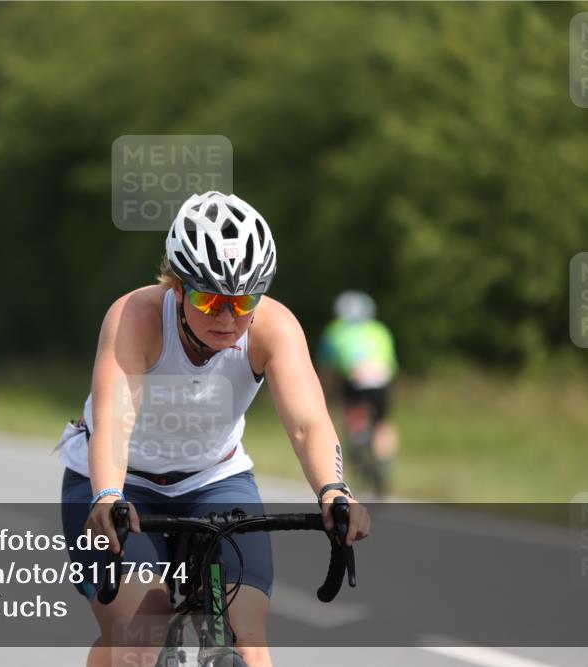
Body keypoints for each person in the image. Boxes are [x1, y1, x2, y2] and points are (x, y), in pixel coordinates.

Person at [56, 191, 370, 667]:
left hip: (214, 480)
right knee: (139, 640)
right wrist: (107, 495)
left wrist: (333, 491)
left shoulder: (274, 327)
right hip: (119, 483)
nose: (227, 318)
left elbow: (308, 423)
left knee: (247, 643)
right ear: (177, 288)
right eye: (210, 300)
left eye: (243, 302)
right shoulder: (136, 316)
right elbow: (115, 423)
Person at [319, 290, 399, 497]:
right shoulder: (380, 330)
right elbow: (391, 363)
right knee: (383, 424)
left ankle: (357, 442)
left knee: (351, 416)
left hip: (354, 380)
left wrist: (329, 395)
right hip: (381, 380)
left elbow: (329, 369)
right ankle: (383, 465)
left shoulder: (335, 331)